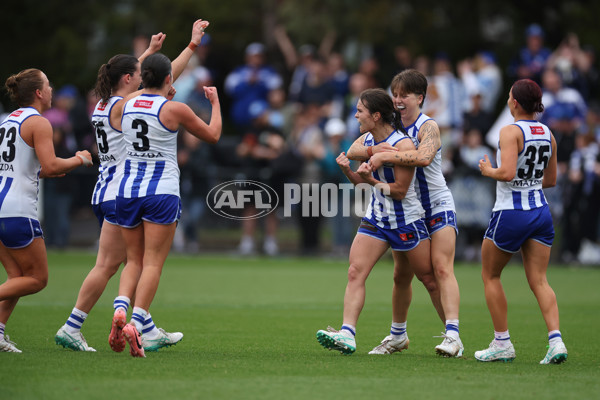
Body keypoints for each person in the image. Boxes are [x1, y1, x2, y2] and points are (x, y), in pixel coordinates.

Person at [54, 21, 206, 353]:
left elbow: (141, 77)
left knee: (123, 264)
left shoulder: (103, 104)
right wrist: (191, 47)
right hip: (125, 190)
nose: (142, 76)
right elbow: (162, 81)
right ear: (128, 79)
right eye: (137, 73)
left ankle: (139, 324)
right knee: (125, 264)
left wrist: (150, 51)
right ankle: (102, 323)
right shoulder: (127, 104)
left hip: (108, 190)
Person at [111, 23, 222, 358]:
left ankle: (120, 308)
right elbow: (213, 135)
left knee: (132, 260)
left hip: (127, 189)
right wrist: (216, 103)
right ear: (169, 80)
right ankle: (138, 319)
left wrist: (169, 50)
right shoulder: (174, 108)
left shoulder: (125, 103)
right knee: (154, 263)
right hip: (161, 191)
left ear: (142, 77)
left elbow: (150, 77)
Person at [315, 88, 443, 355]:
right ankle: (348, 334)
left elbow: (398, 191)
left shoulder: (405, 145)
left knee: (428, 280)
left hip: (406, 220)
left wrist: (372, 179)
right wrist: (349, 171)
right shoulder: (367, 138)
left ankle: (452, 334)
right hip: (376, 219)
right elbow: (354, 157)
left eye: (360, 110)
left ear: (375, 115)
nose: (356, 115)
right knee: (355, 271)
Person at [349, 69, 463, 357]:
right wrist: (377, 147)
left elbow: (423, 157)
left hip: (436, 204)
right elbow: (353, 150)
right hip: (408, 210)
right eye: (395, 94)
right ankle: (398, 335)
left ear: (420, 98)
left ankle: (453, 336)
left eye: (405, 96)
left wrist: (384, 154)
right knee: (401, 275)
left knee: (438, 270)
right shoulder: (391, 125)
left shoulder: (429, 127)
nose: (398, 100)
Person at [0, 68, 93, 352]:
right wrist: (79, 159)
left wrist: (43, 172)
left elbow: (26, 168)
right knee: (37, 279)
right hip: (17, 211)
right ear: (38, 93)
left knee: (17, 278)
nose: (51, 90)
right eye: (48, 85)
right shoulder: (39, 123)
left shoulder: (7, 122)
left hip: (2, 205)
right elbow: (52, 165)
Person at [476, 79, 567, 364]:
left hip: (511, 212)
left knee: (490, 275)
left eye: (509, 95)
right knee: (539, 280)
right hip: (540, 211)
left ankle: (502, 342)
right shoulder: (548, 133)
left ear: (515, 102)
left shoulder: (509, 131)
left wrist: (488, 170)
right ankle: (556, 341)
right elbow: (550, 180)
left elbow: (506, 173)